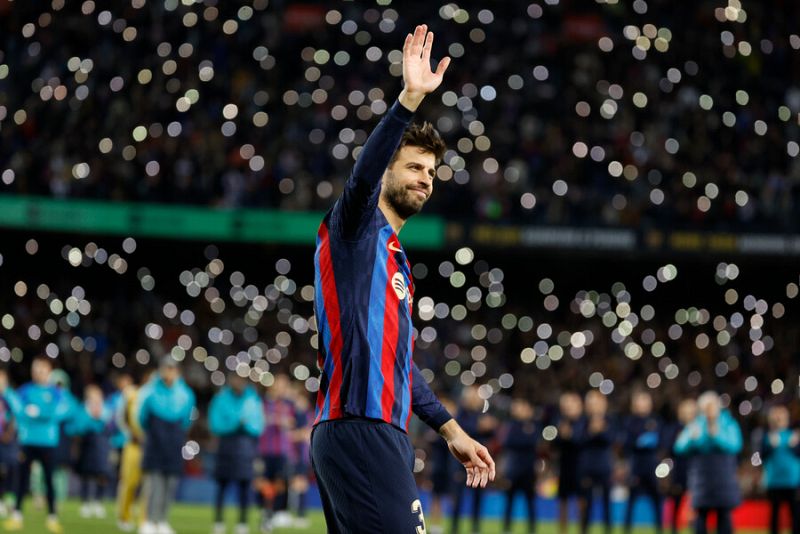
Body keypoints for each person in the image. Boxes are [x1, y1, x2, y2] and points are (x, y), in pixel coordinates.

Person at [309, 24, 495, 534]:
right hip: (359, 428)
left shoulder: (394, 256)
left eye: (431, 174)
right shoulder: (353, 228)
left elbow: (398, 364)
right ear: (389, 171)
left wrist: (450, 429)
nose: (425, 180)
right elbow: (363, 176)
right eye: (414, 167)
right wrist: (408, 101)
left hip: (373, 430)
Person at [2, 357, 70, 533]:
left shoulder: (56, 392)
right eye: (36, 369)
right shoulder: (26, 390)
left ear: (48, 371)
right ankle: (17, 515)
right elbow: (18, 411)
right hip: (28, 441)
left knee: (49, 480)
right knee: (22, 480)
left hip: (48, 442)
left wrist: (38, 412)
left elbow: (61, 412)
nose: (38, 372)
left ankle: (52, 517)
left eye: (41, 369)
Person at [137, 356, 196, 534]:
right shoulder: (150, 391)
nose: (169, 372)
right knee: (153, 484)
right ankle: (149, 521)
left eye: (172, 368)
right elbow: (142, 418)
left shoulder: (186, 394)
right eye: (166, 368)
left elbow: (187, 420)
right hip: (154, 442)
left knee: (170, 485)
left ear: (177, 371)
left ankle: (162, 521)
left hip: (174, 443)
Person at [674, 391, 742, 534]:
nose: (710, 411)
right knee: (700, 518)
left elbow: (736, 445)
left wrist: (717, 436)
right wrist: (691, 439)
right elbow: (679, 447)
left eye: (712, 407)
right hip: (701, 482)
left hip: (724, 481)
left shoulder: (728, 423)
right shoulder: (696, 425)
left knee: (724, 516)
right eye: (706, 408)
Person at [208, 373, 265, 534]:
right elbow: (215, 424)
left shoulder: (253, 400)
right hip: (225, 447)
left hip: (246, 448)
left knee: (245, 488)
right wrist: (235, 424)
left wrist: (245, 426)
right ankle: (218, 522)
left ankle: (243, 523)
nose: (237, 382)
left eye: (240, 379)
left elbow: (259, 425)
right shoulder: (220, 399)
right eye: (234, 378)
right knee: (221, 486)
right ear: (230, 380)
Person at [450, 386, 497, 534]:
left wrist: (490, 427)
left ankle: (475, 529)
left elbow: (492, 433)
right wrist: (480, 427)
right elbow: (459, 433)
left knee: (478, 498)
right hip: (461, 463)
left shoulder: (483, 414)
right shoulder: (460, 414)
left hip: (479, 463)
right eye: (472, 396)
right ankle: (454, 528)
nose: (475, 399)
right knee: (457, 499)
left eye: (476, 396)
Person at [257, 373, 296, 531]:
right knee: (265, 484)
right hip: (265, 450)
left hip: (282, 451)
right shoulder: (264, 403)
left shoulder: (288, 405)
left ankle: (278, 513)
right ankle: (266, 512)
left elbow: (292, 422)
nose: (281, 388)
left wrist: (282, 421)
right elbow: (259, 420)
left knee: (281, 482)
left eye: (283, 385)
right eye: (279, 384)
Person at [68, 384, 113, 519]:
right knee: (87, 476)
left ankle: (98, 503)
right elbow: (74, 429)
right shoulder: (82, 411)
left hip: (103, 449)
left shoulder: (107, 412)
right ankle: (86, 503)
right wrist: (90, 419)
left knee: (103, 476)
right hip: (87, 449)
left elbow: (114, 430)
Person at [116, 368, 151, 532]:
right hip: (134, 445)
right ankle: (124, 517)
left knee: (149, 487)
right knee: (129, 483)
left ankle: (145, 521)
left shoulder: (156, 398)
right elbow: (121, 418)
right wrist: (130, 433)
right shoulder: (132, 395)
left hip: (150, 448)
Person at [623, 391, 664, 534]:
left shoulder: (656, 420)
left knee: (657, 501)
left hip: (652, 467)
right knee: (631, 502)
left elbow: (660, 442)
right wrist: (640, 441)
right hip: (636, 467)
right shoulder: (629, 422)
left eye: (645, 401)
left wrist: (644, 441)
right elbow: (627, 444)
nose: (642, 405)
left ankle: (659, 529)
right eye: (639, 401)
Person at [576, 390, 615, 534]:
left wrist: (601, 431)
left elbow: (612, 439)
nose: (594, 406)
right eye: (590, 403)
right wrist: (592, 431)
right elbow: (578, 440)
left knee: (606, 504)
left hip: (604, 467)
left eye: (597, 402)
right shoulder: (583, 421)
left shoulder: (610, 420)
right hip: (587, 468)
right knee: (586, 504)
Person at [501, 396, 539, 534]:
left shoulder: (534, 425)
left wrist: (523, 438)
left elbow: (534, 442)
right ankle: (506, 529)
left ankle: (532, 529)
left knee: (530, 503)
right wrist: (525, 437)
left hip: (528, 471)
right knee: (509, 502)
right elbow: (508, 442)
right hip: (513, 470)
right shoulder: (511, 425)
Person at [760, 405, 800, 534]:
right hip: (774, 481)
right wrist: (770, 446)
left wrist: (794, 446)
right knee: (774, 514)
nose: (778, 419)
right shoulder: (767, 437)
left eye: (781, 417)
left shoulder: (793, 436)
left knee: (795, 514)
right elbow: (761, 457)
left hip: (792, 481)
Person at [664, 398, 697, 534]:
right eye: (685, 411)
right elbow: (669, 449)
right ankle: (673, 529)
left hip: (696, 473)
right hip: (679, 472)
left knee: (695, 506)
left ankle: (696, 528)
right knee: (676, 504)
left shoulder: (699, 428)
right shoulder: (675, 429)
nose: (688, 414)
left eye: (691, 411)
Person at [555, 392, 583, 534]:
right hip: (564, 467)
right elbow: (554, 444)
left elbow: (581, 440)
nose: (567, 408)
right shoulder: (560, 422)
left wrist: (569, 436)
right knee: (563, 501)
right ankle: (563, 531)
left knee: (581, 501)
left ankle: (582, 529)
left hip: (580, 467)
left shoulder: (584, 422)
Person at [0, 369, 19, 518]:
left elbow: (17, 414)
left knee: (12, 468)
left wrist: (9, 433)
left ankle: (11, 501)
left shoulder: (11, 396)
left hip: (9, 440)